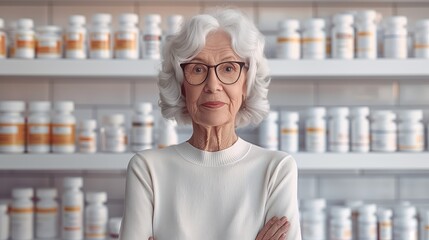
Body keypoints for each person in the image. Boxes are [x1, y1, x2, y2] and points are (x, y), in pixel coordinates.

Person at [120, 8, 301, 240]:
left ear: (245, 85)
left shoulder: (276, 170)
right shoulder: (147, 169)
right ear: (181, 85)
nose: (213, 85)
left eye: (228, 68)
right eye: (197, 69)